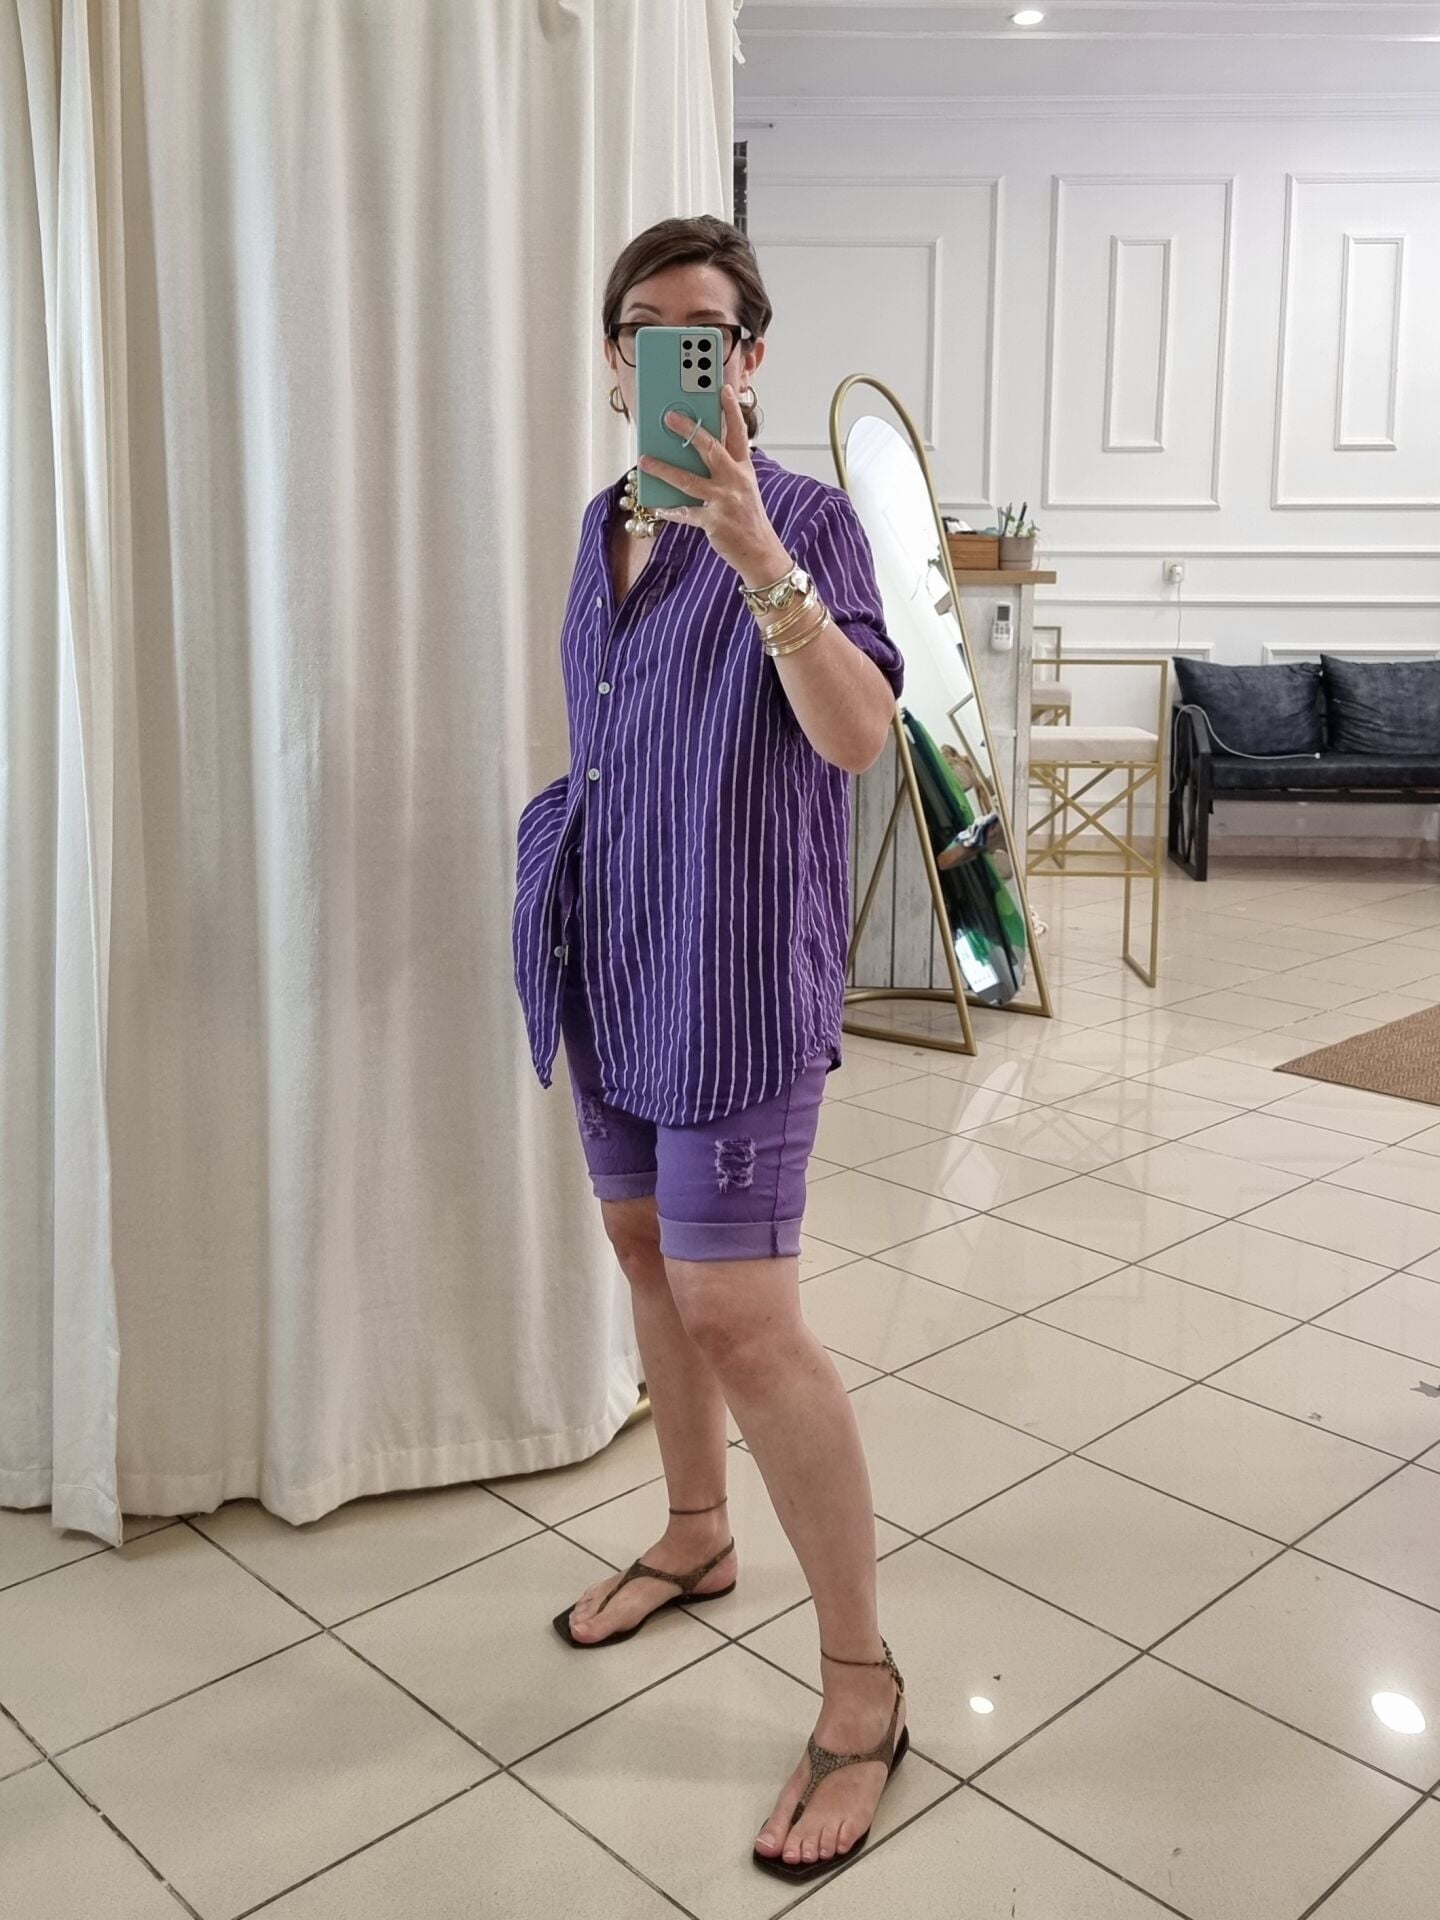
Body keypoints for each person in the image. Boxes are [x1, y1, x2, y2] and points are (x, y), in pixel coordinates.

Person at [512, 215, 908, 1881]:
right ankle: (694, 1533)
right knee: (640, 1250)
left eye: (708, 330)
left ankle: (864, 1686)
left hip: (734, 971)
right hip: (608, 949)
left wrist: (756, 555)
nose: (675, 352)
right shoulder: (599, 527)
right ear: (618, 363)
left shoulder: (802, 521)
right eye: (645, 328)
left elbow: (861, 737)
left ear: (747, 362)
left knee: (744, 1311)